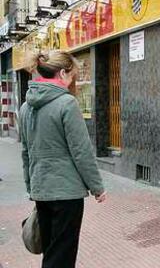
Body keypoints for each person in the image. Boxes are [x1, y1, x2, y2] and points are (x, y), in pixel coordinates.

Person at [19, 51, 107, 268]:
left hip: (42, 191)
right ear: (61, 73)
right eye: (71, 76)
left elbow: (26, 153)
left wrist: (31, 186)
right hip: (67, 193)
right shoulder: (67, 104)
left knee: (50, 250)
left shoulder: (25, 107)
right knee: (62, 255)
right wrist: (97, 187)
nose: (71, 82)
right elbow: (81, 151)